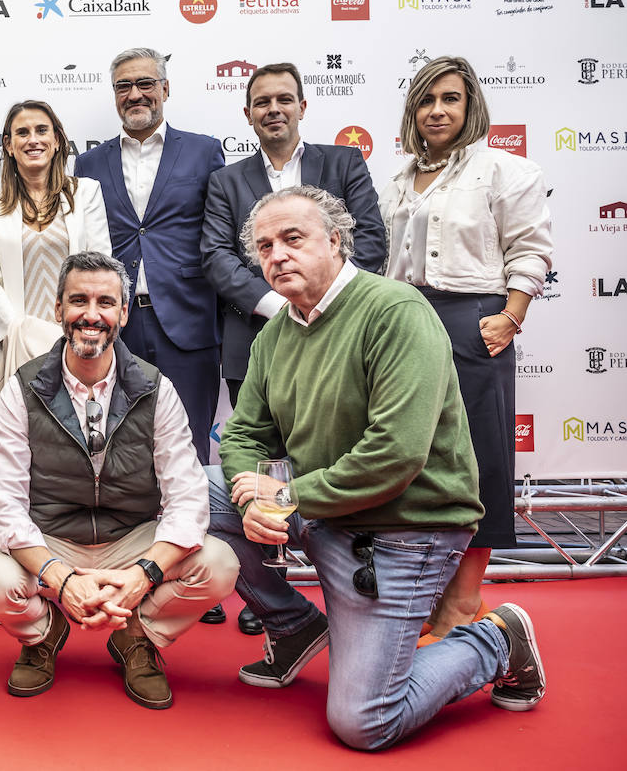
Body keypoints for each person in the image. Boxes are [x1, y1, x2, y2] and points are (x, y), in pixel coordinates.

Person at [219, 185, 545, 751]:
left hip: (402, 532)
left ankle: (497, 641)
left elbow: (395, 454)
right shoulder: (276, 331)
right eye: (265, 246)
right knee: (198, 493)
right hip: (325, 514)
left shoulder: (394, 311)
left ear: (337, 241)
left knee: (364, 723)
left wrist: (285, 498)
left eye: (293, 238)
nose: (277, 255)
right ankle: (295, 628)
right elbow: (245, 433)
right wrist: (255, 500)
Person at [0, 251, 238, 710]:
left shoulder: (156, 389)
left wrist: (142, 574)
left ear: (123, 313)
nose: (91, 315)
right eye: (78, 300)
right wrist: (61, 577)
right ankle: (43, 634)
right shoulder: (22, 388)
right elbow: (4, 507)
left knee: (219, 564)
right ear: (58, 311)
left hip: (131, 539)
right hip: (52, 539)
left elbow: (189, 502)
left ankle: (137, 636)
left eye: (105, 302)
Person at [200, 62, 386, 637]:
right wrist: (284, 304)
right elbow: (217, 258)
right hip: (256, 334)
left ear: (303, 105)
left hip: (341, 332)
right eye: (261, 101)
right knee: (257, 459)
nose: (273, 108)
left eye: (285, 98)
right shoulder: (227, 181)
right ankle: (270, 596)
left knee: (330, 452)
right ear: (248, 114)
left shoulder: (343, 163)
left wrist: (322, 303)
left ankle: (362, 579)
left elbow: (370, 240)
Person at [379, 56, 552, 644]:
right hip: (406, 321)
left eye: (449, 99)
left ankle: (465, 600)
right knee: (420, 458)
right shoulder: (399, 179)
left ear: (470, 105)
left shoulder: (505, 170)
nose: (437, 111)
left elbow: (531, 249)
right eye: (427, 100)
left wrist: (510, 316)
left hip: (474, 322)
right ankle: (432, 593)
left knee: (481, 458)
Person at [74, 47, 223, 467]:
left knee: (189, 442)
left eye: (145, 83)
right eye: (124, 86)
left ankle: (190, 531)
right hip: (117, 324)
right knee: (121, 443)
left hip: (188, 322)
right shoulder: (88, 162)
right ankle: (137, 533)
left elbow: (218, 232)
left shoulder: (203, 151)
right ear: (114, 95)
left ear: (165, 88)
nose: (135, 94)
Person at [0, 100, 110, 434]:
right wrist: (25, 338)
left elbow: (102, 271)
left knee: (72, 451)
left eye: (41, 130)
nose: (32, 139)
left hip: (77, 345)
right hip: (10, 348)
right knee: (11, 451)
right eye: (22, 132)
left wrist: (66, 340)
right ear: (8, 145)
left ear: (58, 139)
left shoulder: (87, 192)